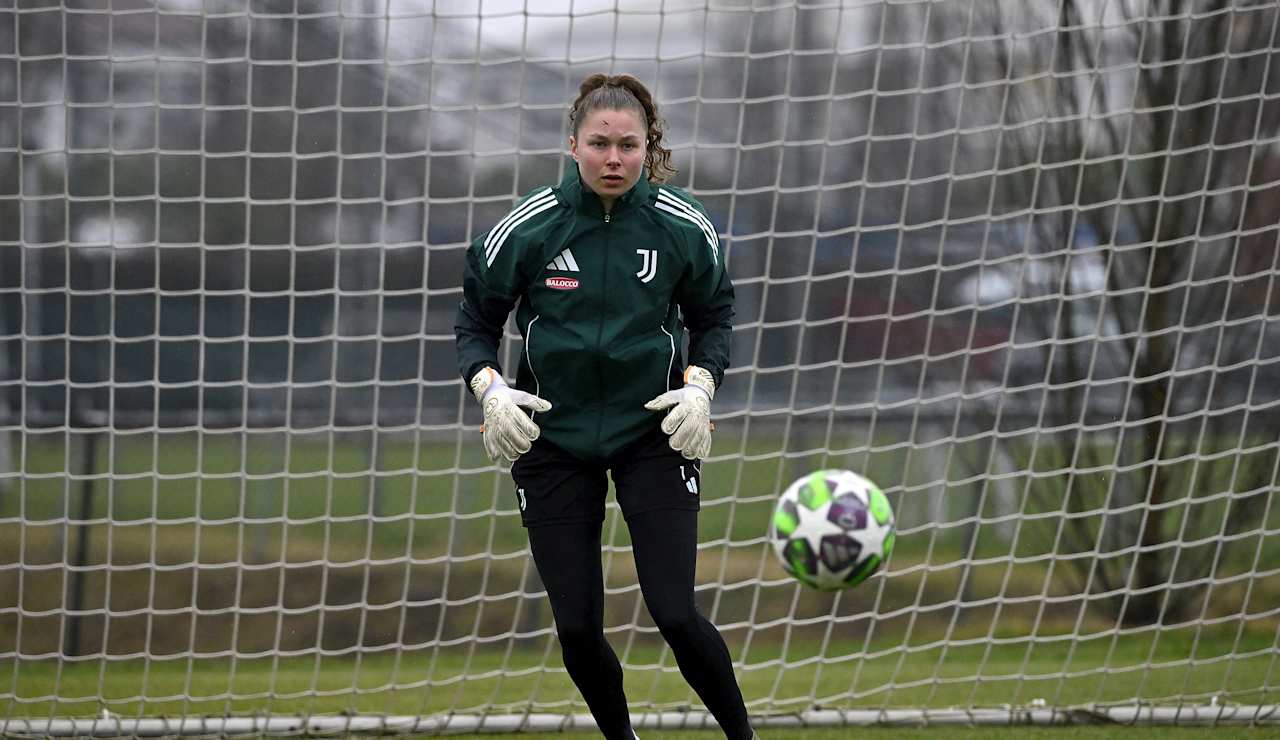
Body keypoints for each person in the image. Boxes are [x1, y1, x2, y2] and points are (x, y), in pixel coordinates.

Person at [454, 73, 755, 740]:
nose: (613, 159)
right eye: (599, 144)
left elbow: (717, 316)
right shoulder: (530, 227)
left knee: (676, 614)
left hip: (653, 429)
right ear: (573, 145)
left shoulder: (684, 225)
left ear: (648, 146)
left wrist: (701, 387)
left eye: (627, 145)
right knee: (578, 627)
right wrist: (490, 388)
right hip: (551, 437)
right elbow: (474, 319)